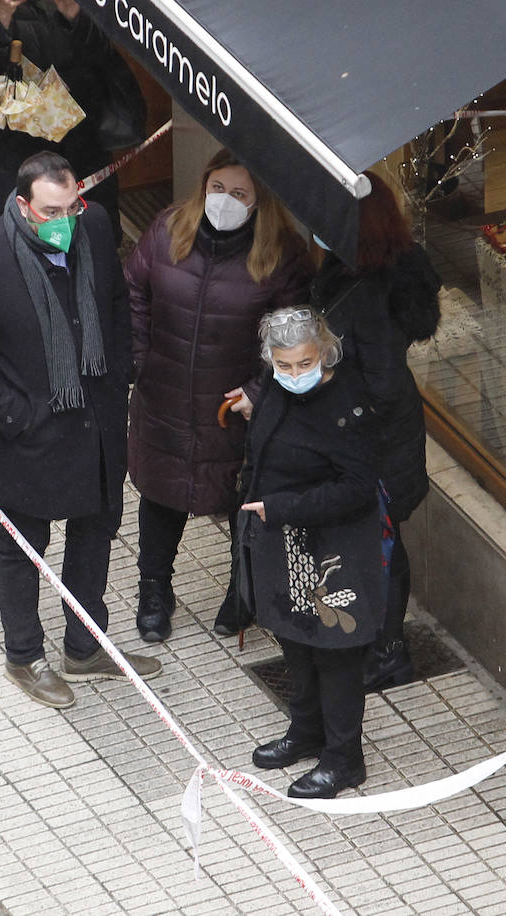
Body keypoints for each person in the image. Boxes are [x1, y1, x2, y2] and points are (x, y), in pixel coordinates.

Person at [0, 152, 160, 709]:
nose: (65, 219)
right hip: (27, 440)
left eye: (72, 206)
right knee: (22, 546)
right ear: (23, 206)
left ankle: (84, 646)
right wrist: (22, 415)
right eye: (51, 210)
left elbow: (113, 300)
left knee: (95, 532)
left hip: (95, 425)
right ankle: (24, 655)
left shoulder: (95, 225)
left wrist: (119, 369)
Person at [125, 149, 311, 642]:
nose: (225, 201)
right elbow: (134, 291)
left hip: (231, 410)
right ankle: (154, 591)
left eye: (239, 194)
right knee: (160, 498)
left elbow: (292, 336)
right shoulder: (168, 230)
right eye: (218, 188)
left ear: (259, 203)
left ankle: (242, 593)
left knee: (239, 501)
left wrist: (257, 390)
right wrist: (139, 355)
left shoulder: (281, 255)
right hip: (163, 395)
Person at [240, 307, 387, 799]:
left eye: (304, 364)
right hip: (283, 540)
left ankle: (344, 758)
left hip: (334, 547)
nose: (294, 375)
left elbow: (358, 488)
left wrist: (282, 507)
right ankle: (306, 731)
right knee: (295, 640)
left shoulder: (348, 406)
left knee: (336, 654)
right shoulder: (274, 389)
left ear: (324, 354)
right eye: (284, 366)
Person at [309, 172, 440, 692]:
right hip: (376, 438)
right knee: (376, 541)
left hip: (376, 445)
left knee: (381, 542)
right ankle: (382, 642)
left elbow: (381, 384)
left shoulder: (370, 292)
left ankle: (389, 651)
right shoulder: (363, 270)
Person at [0, 0, 123, 240]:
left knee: (88, 241)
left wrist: (74, 17)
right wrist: (3, 14)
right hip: (13, 151)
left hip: (81, 141)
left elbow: (104, 58)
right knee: (13, 243)